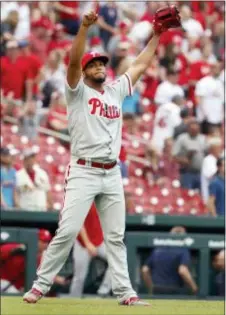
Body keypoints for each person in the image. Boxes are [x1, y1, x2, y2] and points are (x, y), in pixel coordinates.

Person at [23, 6, 181, 306]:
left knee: (116, 237)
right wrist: (83, 28)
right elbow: (72, 60)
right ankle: (40, 285)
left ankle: (125, 293)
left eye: (101, 62)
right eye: (93, 63)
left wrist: (157, 36)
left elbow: (139, 65)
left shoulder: (115, 90)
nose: (99, 65)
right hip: (83, 170)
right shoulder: (77, 92)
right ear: (84, 71)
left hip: (111, 172)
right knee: (68, 230)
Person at [0, 229, 67, 294]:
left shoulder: (41, 258)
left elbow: (45, 274)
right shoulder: (14, 247)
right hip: (3, 281)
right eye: (43, 241)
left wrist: (62, 280)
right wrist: (12, 251)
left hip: (18, 287)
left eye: (47, 242)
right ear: (35, 240)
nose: (45, 244)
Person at [70, 203, 111, 298]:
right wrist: (88, 244)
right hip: (82, 244)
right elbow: (78, 224)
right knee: (79, 277)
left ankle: (103, 292)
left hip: (99, 242)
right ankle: (73, 300)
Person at [141, 226, 198, 295]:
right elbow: (183, 271)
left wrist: (151, 288)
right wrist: (194, 288)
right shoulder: (183, 250)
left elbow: (145, 270)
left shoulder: (158, 250)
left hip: (157, 289)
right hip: (175, 290)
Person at [173, 120, 207, 190]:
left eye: (196, 129)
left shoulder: (202, 138)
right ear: (188, 129)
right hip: (187, 172)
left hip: (200, 173)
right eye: (193, 129)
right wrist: (185, 160)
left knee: (200, 196)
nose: (195, 131)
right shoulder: (182, 138)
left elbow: (206, 153)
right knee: (187, 194)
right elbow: (174, 156)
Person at [201, 138, 222, 203]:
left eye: (220, 147)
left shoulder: (219, 159)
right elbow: (211, 175)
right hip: (210, 196)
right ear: (211, 149)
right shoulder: (208, 160)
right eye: (217, 148)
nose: (220, 150)